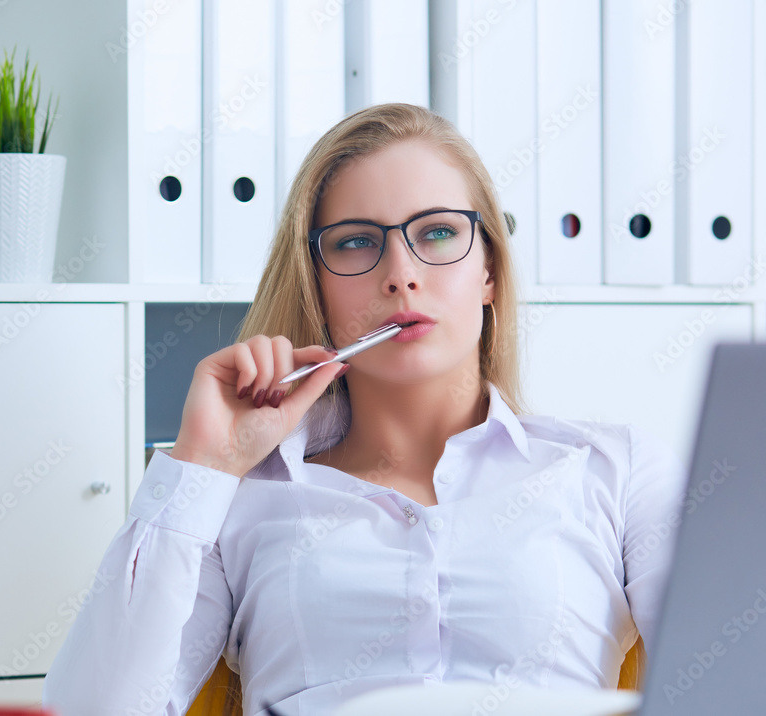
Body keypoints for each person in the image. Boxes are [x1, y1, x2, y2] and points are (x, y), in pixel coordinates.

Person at [41, 103, 687, 716]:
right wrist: (201, 466)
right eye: (355, 243)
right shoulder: (237, 499)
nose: (401, 274)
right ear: (315, 284)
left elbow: (732, 684)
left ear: (489, 269)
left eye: (438, 233)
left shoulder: (619, 473)